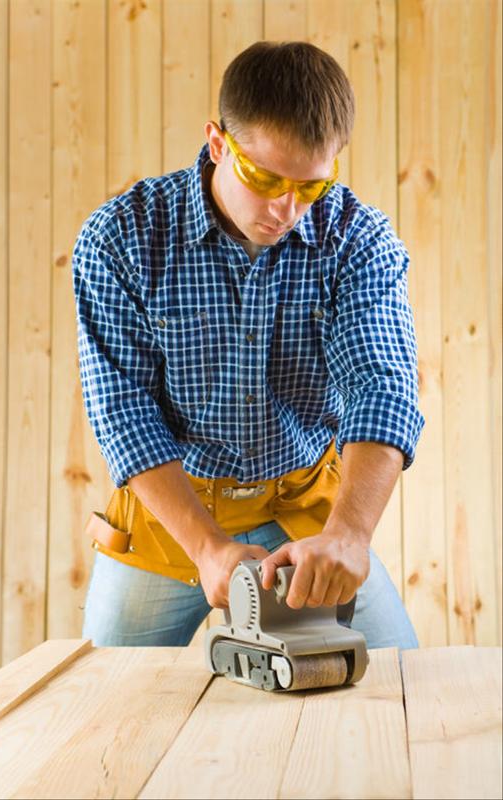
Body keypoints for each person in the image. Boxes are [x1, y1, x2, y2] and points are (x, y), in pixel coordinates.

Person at [72, 41, 425, 650]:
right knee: (108, 702)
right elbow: (124, 413)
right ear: (218, 144)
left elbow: (381, 387)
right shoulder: (120, 239)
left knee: (400, 687)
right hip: (169, 517)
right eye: (264, 178)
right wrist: (208, 548)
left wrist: (349, 535)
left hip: (307, 511)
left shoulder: (358, 240)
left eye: (310, 186)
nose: (285, 209)